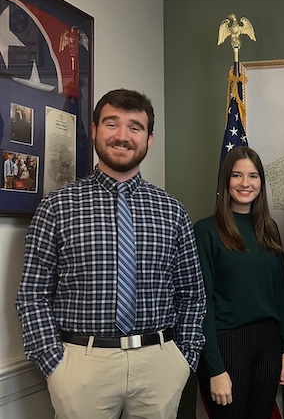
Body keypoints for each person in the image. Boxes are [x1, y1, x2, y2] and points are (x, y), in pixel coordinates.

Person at [16, 89, 206, 419]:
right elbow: (32, 295)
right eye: (111, 123)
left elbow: (192, 293)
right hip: (81, 367)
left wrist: (182, 359)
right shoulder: (57, 207)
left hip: (159, 364)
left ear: (149, 138)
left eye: (135, 127)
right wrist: (53, 363)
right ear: (94, 130)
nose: (122, 136)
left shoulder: (172, 211)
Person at [178, 146, 284, 419]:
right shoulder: (206, 231)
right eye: (237, 175)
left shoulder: (270, 230)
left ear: (261, 183)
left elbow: (280, 297)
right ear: (225, 181)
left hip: (269, 345)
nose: (245, 183)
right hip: (226, 344)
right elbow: (201, 302)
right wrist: (215, 367)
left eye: (253, 176)